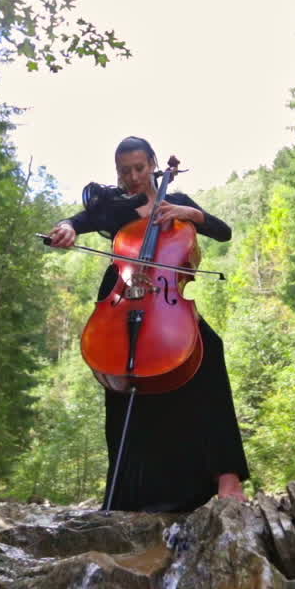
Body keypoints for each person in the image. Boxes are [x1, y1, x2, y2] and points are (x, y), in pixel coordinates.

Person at [47, 136, 251, 512]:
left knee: (210, 350)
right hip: (122, 296)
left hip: (165, 300)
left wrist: (190, 215)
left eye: (140, 168)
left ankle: (227, 475)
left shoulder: (178, 204)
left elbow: (223, 231)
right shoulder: (113, 207)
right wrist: (67, 228)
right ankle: (125, 492)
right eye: (125, 171)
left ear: (153, 164)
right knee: (122, 379)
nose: (133, 176)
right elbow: (78, 221)